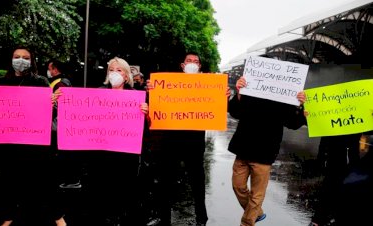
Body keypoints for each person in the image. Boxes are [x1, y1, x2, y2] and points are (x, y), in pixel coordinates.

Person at [152, 52, 229, 226]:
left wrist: (224, 95)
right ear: (182, 65)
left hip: (194, 142)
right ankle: (164, 218)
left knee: (197, 182)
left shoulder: (208, 85)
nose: (192, 63)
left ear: (200, 67)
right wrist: (152, 90)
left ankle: (201, 218)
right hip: (171, 140)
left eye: (196, 61)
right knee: (166, 181)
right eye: (189, 61)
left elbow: (219, 107)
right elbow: (157, 105)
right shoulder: (167, 83)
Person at [0, 46, 66, 226]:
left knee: (44, 182)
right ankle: (8, 217)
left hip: (35, 145)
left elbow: (49, 115)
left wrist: (51, 104)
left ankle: (58, 218)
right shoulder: (1, 84)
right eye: (17, 56)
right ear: (10, 59)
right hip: (10, 144)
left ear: (31, 61)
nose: (21, 60)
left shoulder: (40, 82)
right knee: (9, 182)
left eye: (25, 57)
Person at [228, 76, 307, 226]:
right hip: (243, 148)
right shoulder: (249, 91)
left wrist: (299, 105)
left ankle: (247, 222)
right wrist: (238, 94)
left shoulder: (284, 97)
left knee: (257, 195)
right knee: (238, 186)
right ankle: (256, 213)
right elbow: (235, 112)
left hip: (265, 152)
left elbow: (293, 123)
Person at [82, 57, 150, 226]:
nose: (114, 73)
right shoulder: (97, 93)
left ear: (126, 76)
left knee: (124, 193)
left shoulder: (136, 97)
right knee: (100, 192)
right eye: (111, 69)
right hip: (100, 154)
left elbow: (146, 128)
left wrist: (146, 114)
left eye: (119, 70)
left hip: (126, 156)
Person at [308, 134, 362, 226]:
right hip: (335, 157)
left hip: (346, 157)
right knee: (330, 185)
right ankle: (320, 218)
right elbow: (325, 137)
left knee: (336, 186)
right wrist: (321, 157)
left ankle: (321, 218)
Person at [46, 59, 82, 190]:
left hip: (58, 125)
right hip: (60, 124)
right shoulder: (63, 81)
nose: (49, 71)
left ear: (55, 69)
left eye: (50, 68)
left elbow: (61, 105)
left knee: (63, 153)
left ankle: (70, 180)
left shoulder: (60, 83)